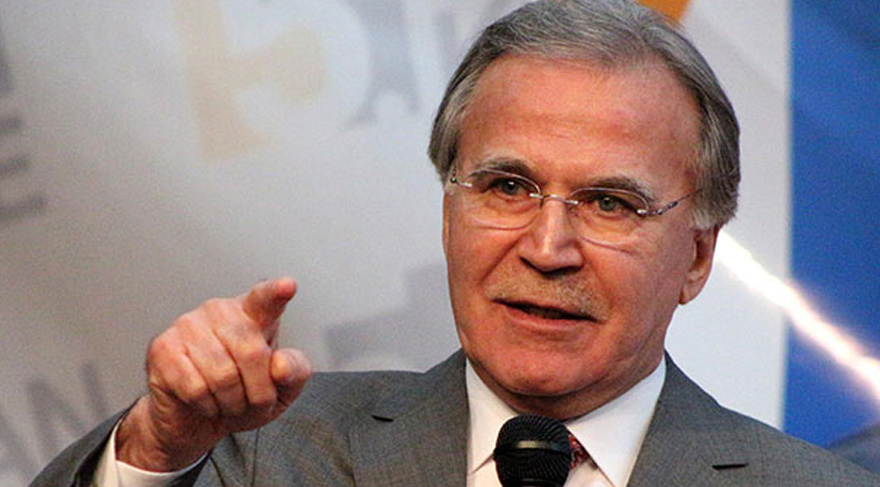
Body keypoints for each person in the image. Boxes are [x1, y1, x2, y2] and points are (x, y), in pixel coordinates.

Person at [31, 1, 880, 486]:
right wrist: (155, 449)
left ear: (696, 257)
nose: (547, 246)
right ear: (448, 210)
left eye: (609, 202)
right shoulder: (261, 456)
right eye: (507, 187)